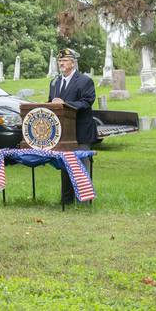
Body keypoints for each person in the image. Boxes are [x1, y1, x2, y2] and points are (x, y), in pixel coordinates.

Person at [48, 47, 97, 204]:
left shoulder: (85, 81)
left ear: (73, 63)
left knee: (81, 166)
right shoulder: (55, 82)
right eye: (59, 61)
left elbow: (87, 102)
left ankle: (84, 201)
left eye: (64, 61)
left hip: (81, 131)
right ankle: (66, 200)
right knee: (65, 165)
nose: (61, 63)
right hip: (63, 134)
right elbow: (50, 102)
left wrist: (65, 104)